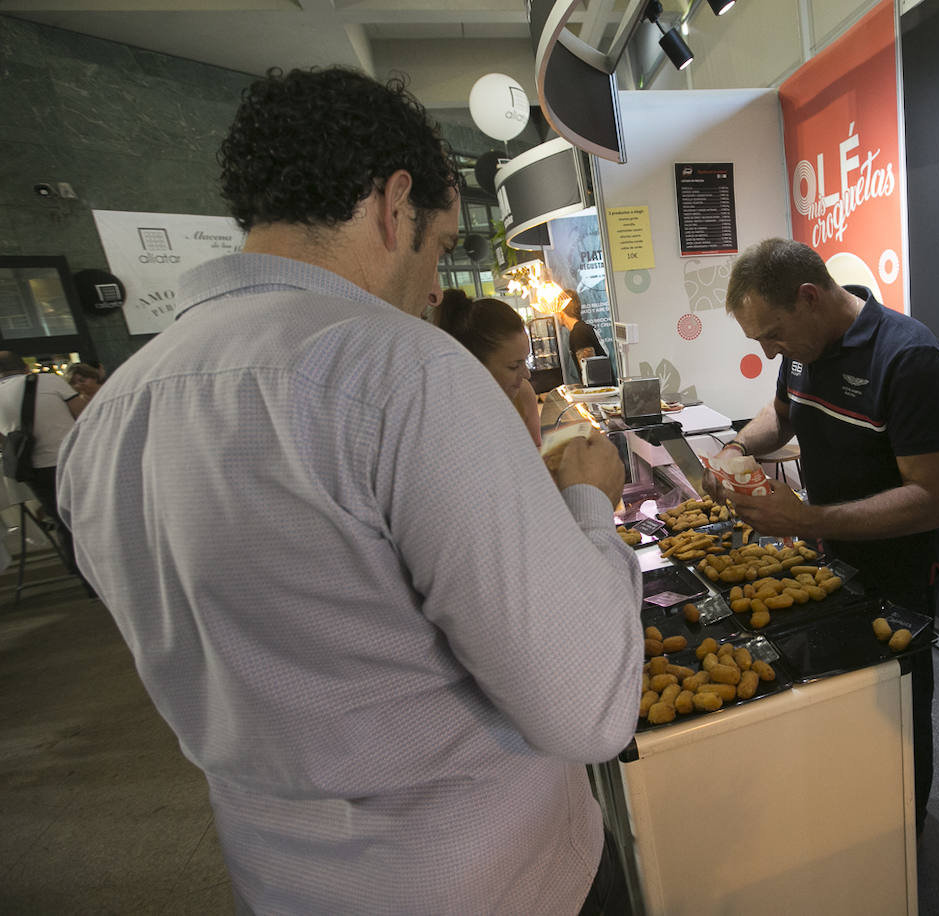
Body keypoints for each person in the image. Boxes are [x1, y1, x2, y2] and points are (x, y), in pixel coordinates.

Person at [55, 66, 642, 916]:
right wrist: (591, 506)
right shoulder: (400, 370)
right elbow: (589, 708)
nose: (438, 285)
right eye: (439, 244)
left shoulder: (106, 418)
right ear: (391, 204)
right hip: (491, 879)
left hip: (282, 879)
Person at [707, 237, 939, 835]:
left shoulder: (908, 356)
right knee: (841, 694)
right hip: (832, 557)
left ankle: (903, 834)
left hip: (901, 564)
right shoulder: (799, 350)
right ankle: (854, 818)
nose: (770, 352)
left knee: (896, 701)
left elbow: (929, 499)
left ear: (809, 298)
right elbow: (784, 414)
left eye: (772, 334)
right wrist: (738, 446)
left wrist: (809, 520)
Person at [0, 352, 84, 572]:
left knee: (62, 521)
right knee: (92, 511)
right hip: (73, 458)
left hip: (35, 468)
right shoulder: (49, 380)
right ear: (26, 368)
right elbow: (83, 415)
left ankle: (84, 577)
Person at [431, 288, 542, 446]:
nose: (526, 374)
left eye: (525, 360)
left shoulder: (523, 394)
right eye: (513, 366)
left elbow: (537, 452)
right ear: (475, 365)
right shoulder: (445, 414)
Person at [555, 289, 611, 383]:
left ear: (561, 312)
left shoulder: (579, 332)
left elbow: (590, 373)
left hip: (598, 394)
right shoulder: (582, 328)